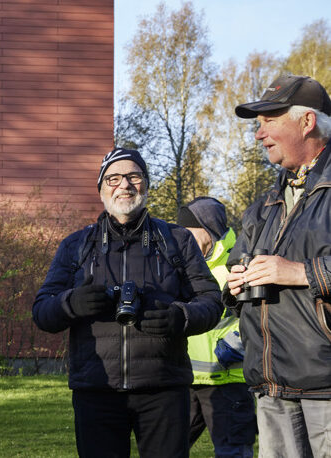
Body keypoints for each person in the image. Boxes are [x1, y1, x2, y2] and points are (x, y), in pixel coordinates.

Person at [32, 148, 223, 458]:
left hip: (164, 389)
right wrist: (70, 304)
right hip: (96, 389)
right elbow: (41, 312)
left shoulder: (177, 240)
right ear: (101, 189)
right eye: (114, 178)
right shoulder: (76, 245)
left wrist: (180, 317)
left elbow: (212, 303)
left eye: (134, 177)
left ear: (146, 185)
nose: (125, 185)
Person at [226, 74, 331, 457]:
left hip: (326, 387)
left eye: (269, 121)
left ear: (308, 122)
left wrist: (301, 272)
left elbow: (294, 270)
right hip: (271, 385)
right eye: (258, 125)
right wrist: (234, 283)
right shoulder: (265, 203)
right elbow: (237, 264)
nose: (259, 134)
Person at [177, 197, 257, 457]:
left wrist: (237, 343)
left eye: (189, 232)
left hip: (228, 383)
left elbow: (261, 318)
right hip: (186, 380)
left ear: (209, 229)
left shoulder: (239, 265)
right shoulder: (183, 270)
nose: (183, 239)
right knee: (165, 449)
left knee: (233, 453)